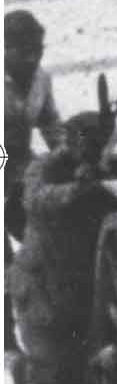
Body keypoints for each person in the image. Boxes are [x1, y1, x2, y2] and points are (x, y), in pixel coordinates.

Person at [4, 12, 63, 244]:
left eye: (38, 51)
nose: (32, 58)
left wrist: (67, 154)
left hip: (19, 161)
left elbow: (50, 124)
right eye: (24, 52)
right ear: (5, 48)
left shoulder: (42, 79)